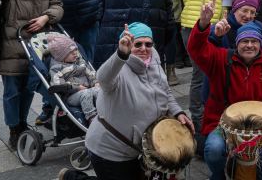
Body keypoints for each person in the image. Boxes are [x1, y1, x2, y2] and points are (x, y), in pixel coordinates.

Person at [75, 22, 192, 179]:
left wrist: (177, 111)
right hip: (111, 150)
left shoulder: (154, 61)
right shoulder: (119, 69)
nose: (144, 48)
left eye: (148, 43)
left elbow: (165, 91)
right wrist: (121, 54)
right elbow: (102, 78)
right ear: (129, 45)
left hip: (140, 148)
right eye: (138, 44)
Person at [188, 2, 262, 180]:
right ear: (237, 43)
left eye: (254, 41)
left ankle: (252, 163)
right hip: (223, 124)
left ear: (260, 44)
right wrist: (203, 25)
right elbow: (196, 50)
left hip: (259, 128)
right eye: (244, 41)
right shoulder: (221, 58)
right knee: (213, 149)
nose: (249, 45)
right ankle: (219, 175)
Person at [0, 0, 64, 149]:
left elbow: (57, 3)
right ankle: (15, 128)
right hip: (14, 42)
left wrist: (46, 17)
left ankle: (23, 124)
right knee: (12, 90)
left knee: (29, 89)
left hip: (40, 43)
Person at [172, 0, 233, 134]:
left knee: (217, 71)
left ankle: (216, 111)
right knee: (200, 72)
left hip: (218, 27)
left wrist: (225, 11)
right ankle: (197, 119)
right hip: (193, 26)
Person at [47, 34, 99, 121]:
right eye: (71, 52)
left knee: (99, 90)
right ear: (62, 56)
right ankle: (91, 117)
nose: (75, 53)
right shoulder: (56, 68)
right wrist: (77, 87)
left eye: (75, 50)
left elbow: (90, 73)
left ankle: (104, 112)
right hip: (71, 96)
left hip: (88, 89)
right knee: (85, 94)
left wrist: (96, 82)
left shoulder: (80, 62)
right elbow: (58, 84)